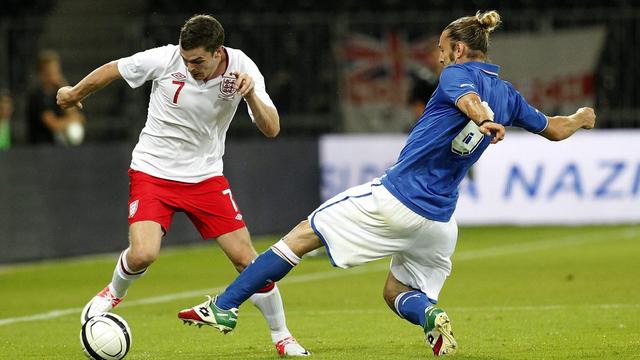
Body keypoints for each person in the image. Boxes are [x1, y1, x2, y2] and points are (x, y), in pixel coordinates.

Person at [177, 10, 596, 356]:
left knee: (300, 237)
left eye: (441, 50)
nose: (439, 57)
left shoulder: (456, 76)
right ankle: (429, 317)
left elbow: (469, 101)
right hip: (439, 222)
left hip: (397, 199)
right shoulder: (508, 94)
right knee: (398, 290)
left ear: (459, 49)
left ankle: (225, 306)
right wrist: (579, 119)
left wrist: (483, 119)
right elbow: (554, 129)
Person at [56, 14, 309, 357]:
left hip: (205, 178)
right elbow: (115, 68)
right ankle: (113, 293)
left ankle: (282, 336)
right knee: (144, 253)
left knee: (247, 260)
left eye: (198, 61)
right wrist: (74, 93)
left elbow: (272, 128)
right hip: (153, 171)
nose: (190, 67)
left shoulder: (243, 68)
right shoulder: (166, 58)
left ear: (219, 51)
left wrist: (251, 97)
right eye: (186, 60)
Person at [28, 50, 85, 146]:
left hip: (58, 148)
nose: (55, 76)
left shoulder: (58, 93)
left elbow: (75, 114)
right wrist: (72, 120)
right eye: (50, 72)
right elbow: (53, 125)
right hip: (40, 149)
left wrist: (64, 86)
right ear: (41, 74)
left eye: (56, 71)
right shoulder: (37, 96)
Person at [408, 36, 442, 120]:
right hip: (431, 121)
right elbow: (417, 104)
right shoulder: (423, 79)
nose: (439, 59)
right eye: (434, 55)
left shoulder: (454, 76)